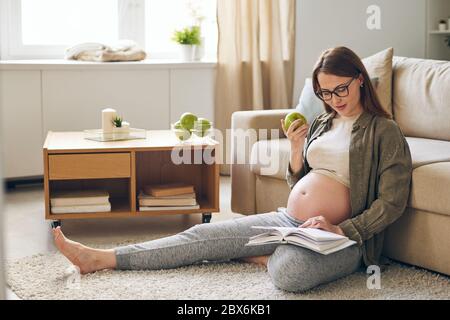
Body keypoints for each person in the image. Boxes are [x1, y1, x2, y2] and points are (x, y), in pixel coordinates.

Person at [53, 47, 412, 293]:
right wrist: (296, 148)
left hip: (343, 238)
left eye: (341, 89)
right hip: (289, 222)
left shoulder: (384, 131)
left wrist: (340, 227)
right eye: (325, 93)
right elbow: (299, 180)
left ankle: (267, 257)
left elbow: (392, 202)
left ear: (360, 79)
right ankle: (103, 258)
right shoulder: (322, 121)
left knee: (291, 272)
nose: (334, 99)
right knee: (199, 237)